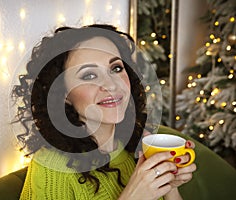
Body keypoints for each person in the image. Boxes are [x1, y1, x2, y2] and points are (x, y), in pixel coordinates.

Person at [12, 24, 197, 200]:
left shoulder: (136, 149)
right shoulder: (52, 167)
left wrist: (170, 186)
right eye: (89, 75)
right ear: (63, 94)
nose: (111, 84)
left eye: (116, 68)